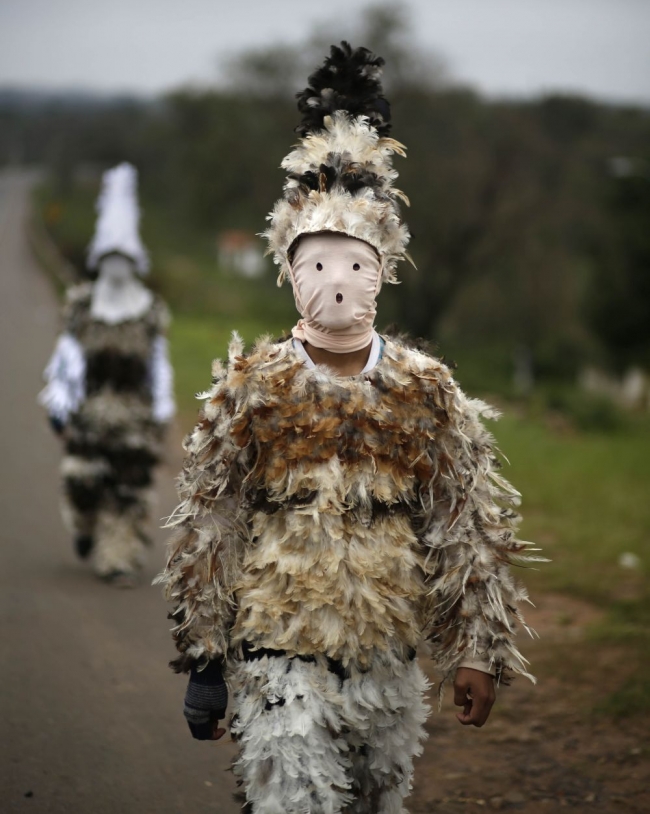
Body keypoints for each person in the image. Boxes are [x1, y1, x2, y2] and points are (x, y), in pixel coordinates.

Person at [159, 44, 537, 813]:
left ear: (383, 269)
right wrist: (204, 656)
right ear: (290, 268)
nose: (338, 282)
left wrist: (477, 648)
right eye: (319, 262)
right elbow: (209, 520)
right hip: (276, 656)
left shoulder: (426, 391)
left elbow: (466, 521)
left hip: (384, 665)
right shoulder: (252, 388)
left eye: (356, 265)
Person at [40, 162, 175, 585]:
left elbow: (159, 363)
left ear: (133, 261)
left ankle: (117, 558)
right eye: (110, 259)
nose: (117, 266)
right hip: (90, 412)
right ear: (101, 260)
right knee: (83, 481)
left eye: (124, 259)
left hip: (134, 416)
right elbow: (66, 360)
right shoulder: (82, 307)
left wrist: (163, 407)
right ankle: (84, 525)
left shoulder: (149, 311)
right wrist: (59, 403)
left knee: (128, 489)